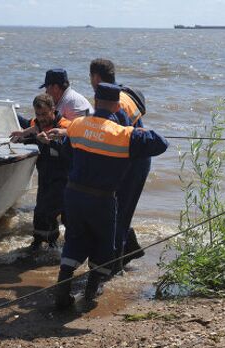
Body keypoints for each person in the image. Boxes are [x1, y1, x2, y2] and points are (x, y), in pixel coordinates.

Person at [49, 83, 168, 309]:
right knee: (104, 244)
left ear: (94, 101)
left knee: (74, 239)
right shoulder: (123, 134)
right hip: (101, 199)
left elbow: (66, 151)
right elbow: (161, 143)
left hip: (73, 195)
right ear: (116, 106)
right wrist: (140, 131)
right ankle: (90, 293)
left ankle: (62, 293)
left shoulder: (76, 126)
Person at [89, 58, 150, 274]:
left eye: (91, 78)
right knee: (118, 213)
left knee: (117, 214)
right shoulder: (119, 95)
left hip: (132, 162)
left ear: (96, 77)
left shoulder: (114, 101)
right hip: (133, 159)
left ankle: (113, 267)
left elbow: (111, 136)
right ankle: (126, 252)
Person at [10, 94, 72, 251]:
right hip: (45, 176)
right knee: (41, 212)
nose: (41, 118)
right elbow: (31, 133)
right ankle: (40, 242)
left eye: (44, 114)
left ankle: (54, 245)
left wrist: (51, 142)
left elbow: (71, 150)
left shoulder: (65, 126)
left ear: (53, 110)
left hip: (64, 178)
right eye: (38, 114)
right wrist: (21, 136)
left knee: (50, 211)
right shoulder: (36, 124)